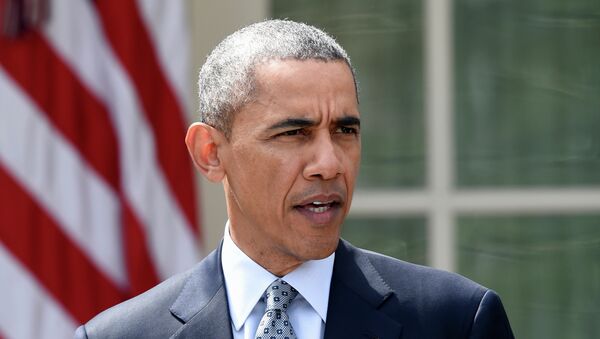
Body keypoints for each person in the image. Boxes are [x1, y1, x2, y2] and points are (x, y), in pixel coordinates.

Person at [75, 19, 514, 339]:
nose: (329, 163)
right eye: (294, 133)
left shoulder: (457, 322)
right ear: (210, 154)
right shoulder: (118, 336)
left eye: (345, 130)